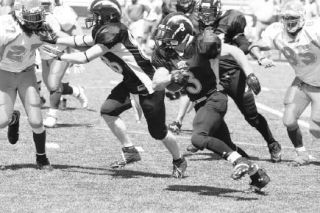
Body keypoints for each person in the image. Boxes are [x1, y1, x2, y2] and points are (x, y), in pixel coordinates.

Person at [41, 0, 187, 178]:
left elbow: (84, 57)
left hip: (147, 85)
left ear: (105, 18)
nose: (92, 20)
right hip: (130, 81)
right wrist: (55, 39)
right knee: (108, 111)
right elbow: (79, 40)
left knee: (158, 132)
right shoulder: (105, 31)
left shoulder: (114, 32)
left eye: (95, 16)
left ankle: (179, 160)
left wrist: (59, 55)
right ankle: (129, 149)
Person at [151, 12, 270, 192]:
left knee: (198, 138)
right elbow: (158, 84)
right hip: (200, 103)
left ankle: (239, 162)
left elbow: (236, 51)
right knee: (227, 145)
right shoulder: (165, 53)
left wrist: (250, 74)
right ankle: (258, 176)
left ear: (183, 35)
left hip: (215, 97)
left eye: (171, 40)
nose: (167, 44)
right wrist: (171, 77)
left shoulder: (203, 43)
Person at [169, 0, 282, 164]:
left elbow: (244, 44)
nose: (206, 17)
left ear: (218, 10)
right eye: (203, 13)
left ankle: (272, 143)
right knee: (207, 113)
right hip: (209, 77)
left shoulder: (230, 21)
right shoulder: (194, 24)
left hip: (232, 75)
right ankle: (230, 149)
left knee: (251, 117)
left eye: (210, 13)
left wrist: (259, 60)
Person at [251, 0, 320, 166]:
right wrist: (260, 57)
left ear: (302, 17)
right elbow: (254, 45)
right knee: (289, 120)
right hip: (303, 81)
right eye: (286, 17)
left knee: (316, 128)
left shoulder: (313, 29)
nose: (289, 20)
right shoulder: (276, 31)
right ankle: (302, 154)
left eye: (293, 17)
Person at [0, 0, 56, 170]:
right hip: (4, 74)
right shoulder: (5, 25)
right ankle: (12, 119)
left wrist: (51, 81)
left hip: (26, 74)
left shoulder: (43, 29)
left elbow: (49, 57)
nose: (35, 22)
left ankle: (41, 158)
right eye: (31, 18)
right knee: (1, 120)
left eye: (37, 17)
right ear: (20, 15)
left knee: (36, 121)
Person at [38, 0, 88, 128]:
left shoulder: (62, 11)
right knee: (52, 85)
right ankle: (77, 91)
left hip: (60, 51)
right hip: (44, 52)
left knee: (54, 84)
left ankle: (52, 116)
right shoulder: (31, 8)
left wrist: (76, 56)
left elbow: (77, 34)